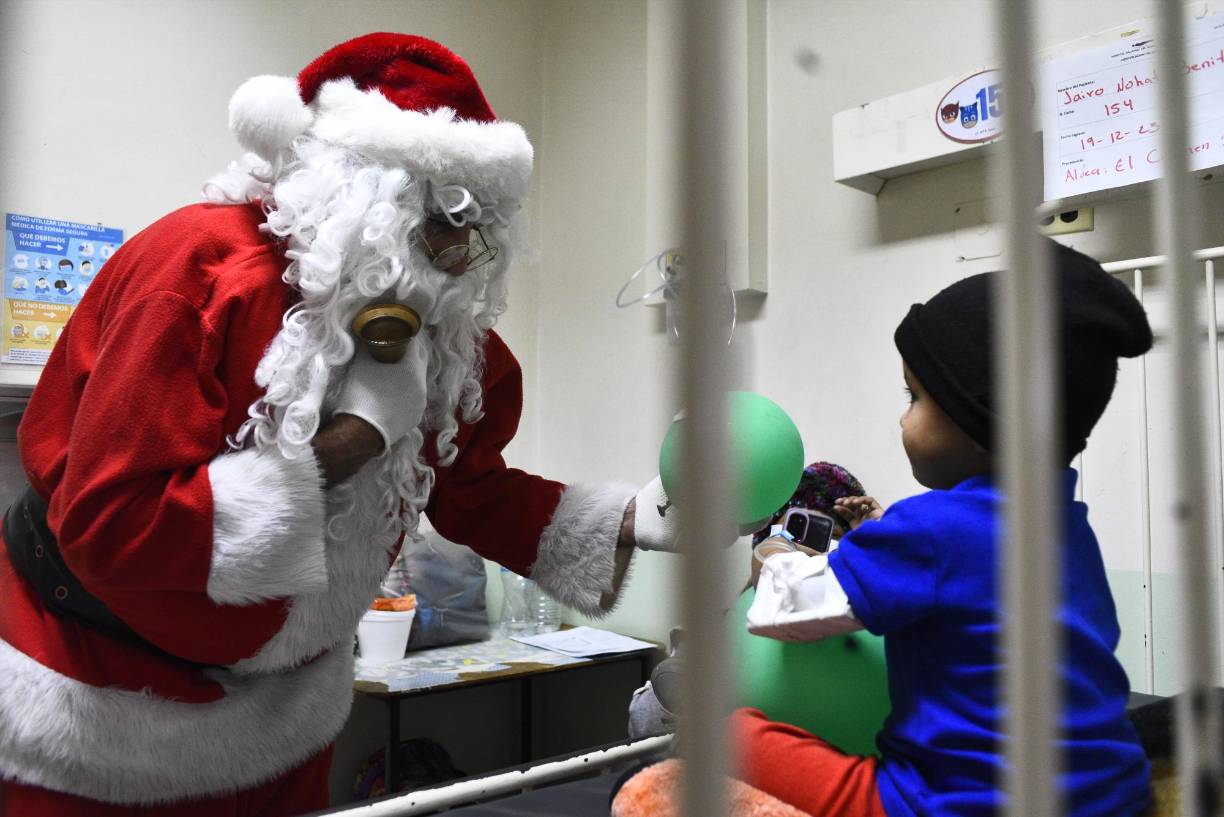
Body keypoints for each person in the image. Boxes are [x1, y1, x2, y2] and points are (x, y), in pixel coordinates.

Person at [0, 33, 671, 816]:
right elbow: (112, 522)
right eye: (440, 216)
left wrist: (631, 517)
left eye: (478, 223)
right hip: (92, 706)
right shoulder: (194, 274)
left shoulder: (444, 330)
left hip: (284, 721)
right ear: (359, 190)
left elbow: (473, 491)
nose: (459, 251)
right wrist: (345, 447)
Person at [736, 241, 1153, 817]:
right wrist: (882, 537)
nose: (903, 418)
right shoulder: (1067, 529)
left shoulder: (933, 529)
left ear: (981, 423)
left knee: (732, 735)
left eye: (915, 396)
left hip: (954, 804)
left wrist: (777, 556)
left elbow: (780, 615)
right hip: (1114, 795)